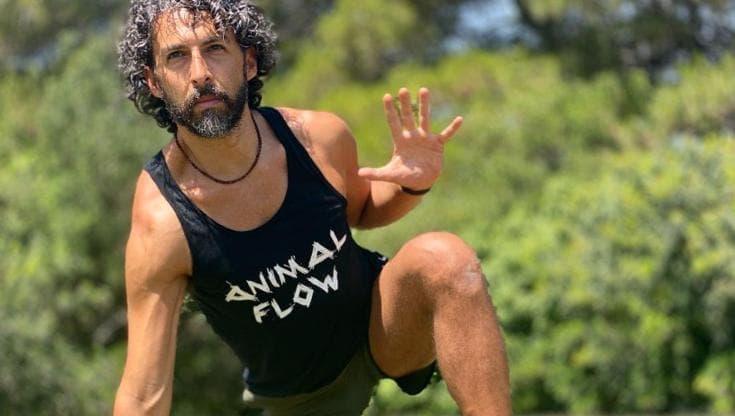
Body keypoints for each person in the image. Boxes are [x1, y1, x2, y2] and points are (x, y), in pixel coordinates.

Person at [113, 1, 511, 415]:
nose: (199, 73)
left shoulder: (318, 138)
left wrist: (411, 186)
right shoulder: (162, 221)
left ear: (248, 63)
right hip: (300, 399)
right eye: (176, 56)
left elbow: (362, 211)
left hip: (379, 328)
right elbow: (144, 394)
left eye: (215, 48)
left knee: (447, 259)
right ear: (154, 82)